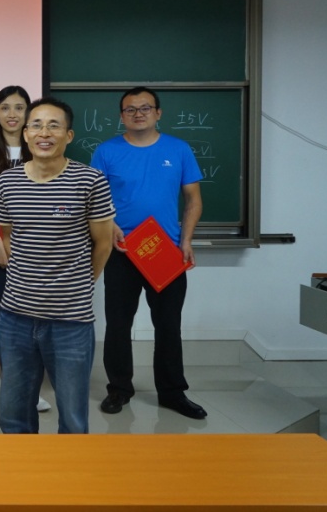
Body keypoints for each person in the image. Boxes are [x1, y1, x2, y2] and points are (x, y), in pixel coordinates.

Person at [0, 97, 115, 435]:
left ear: (69, 135)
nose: (44, 133)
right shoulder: (8, 182)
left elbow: (103, 244)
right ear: (26, 134)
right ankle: (23, 467)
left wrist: (80, 284)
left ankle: (69, 471)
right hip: (15, 317)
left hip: (70, 321)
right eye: (36, 125)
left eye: (53, 126)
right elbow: (8, 237)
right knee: (13, 415)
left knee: (73, 419)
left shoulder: (90, 180)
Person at [91, 87, 206, 419]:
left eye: (145, 108)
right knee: (118, 325)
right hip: (121, 250)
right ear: (121, 116)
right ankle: (119, 389)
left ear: (158, 113)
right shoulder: (106, 151)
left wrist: (186, 240)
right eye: (130, 109)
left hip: (165, 251)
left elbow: (193, 200)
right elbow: (94, 199)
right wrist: (110, 225)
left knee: (168, 325)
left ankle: (172, 392)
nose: (138, 113)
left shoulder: (178, 149)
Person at [0, 85, 50, 413]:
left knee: (37, 316)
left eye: (19, 107)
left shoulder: (42, 148)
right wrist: (0, 245)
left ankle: (33, 386)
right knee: (5, 319)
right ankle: (11, 387)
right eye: (5, 107)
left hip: (39, 238)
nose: (12, 114)